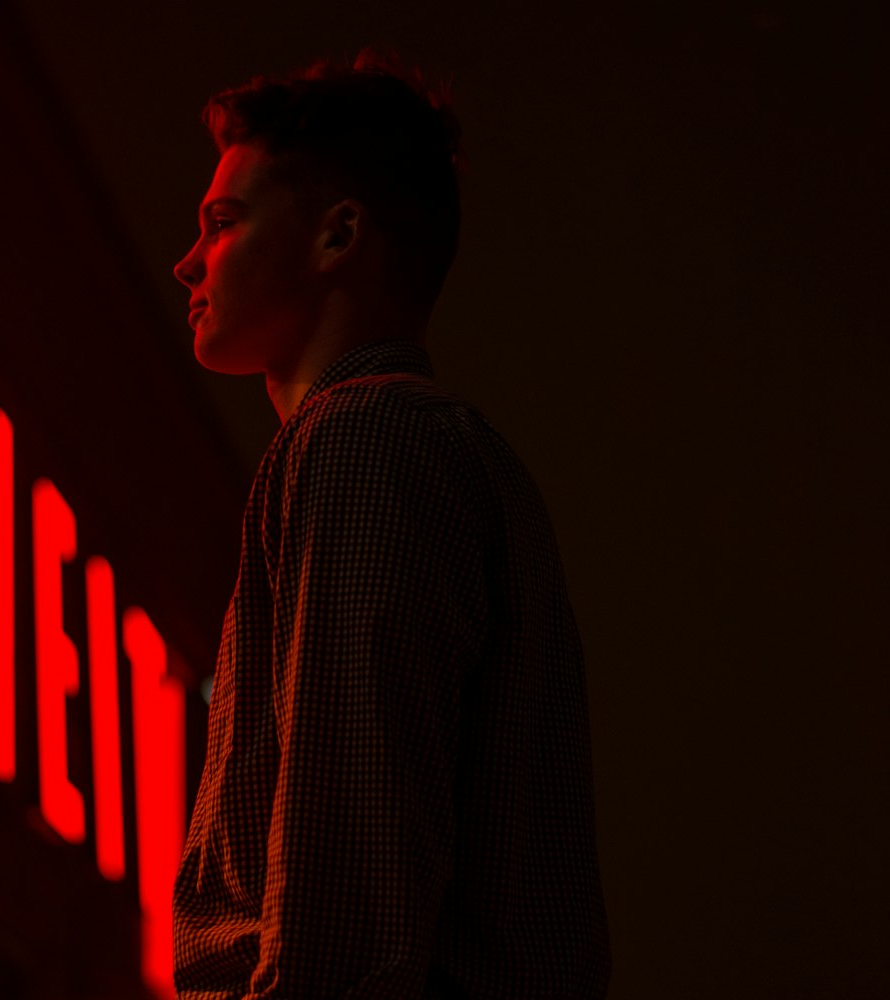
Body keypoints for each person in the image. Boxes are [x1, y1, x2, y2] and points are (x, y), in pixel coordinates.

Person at [171, 48, 611, 999]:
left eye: (224, 221)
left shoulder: (362, 443)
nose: (188, 262)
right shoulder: (444, 455)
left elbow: (349, 869)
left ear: (337, 235)